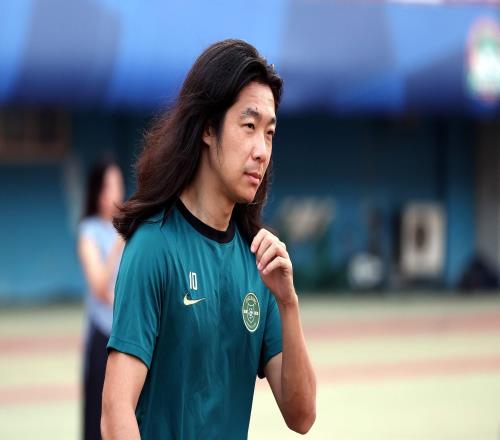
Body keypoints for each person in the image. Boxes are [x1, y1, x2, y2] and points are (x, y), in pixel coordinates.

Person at [101, 39, 316, 439]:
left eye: (270, 133)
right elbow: (115, 413)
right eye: (249, 126)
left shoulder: (259, 263)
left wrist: (288, 303)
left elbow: (301, 416)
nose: (262, 150)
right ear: (207, 128)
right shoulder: (153, 247)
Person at [78, 159, 125, 440]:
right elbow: (98, 285)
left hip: (125, 332)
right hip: (101, 333)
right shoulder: (90, 231)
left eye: (118, 185)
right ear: (97, 191)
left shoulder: (127, 227)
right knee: (96, 416)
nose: (115, 193)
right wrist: (118, 246)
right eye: (109, 186)